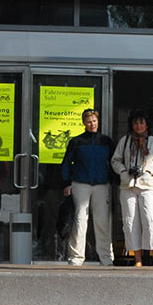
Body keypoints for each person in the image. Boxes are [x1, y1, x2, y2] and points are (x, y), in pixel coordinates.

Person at [111, 110, 153, 267]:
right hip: (127, 186)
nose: (138, 126)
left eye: (141, 122)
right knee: (130, 221)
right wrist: (123, 172)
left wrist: (150, 171)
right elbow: (115, 160)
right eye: (136, 122)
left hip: (146, 185)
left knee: (150, 219)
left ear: (146, 124)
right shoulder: (125, 141)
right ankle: (137, 259)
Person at [61, 108, 116, 266]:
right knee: (80, 220)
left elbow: (114, 162)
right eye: (89, 121)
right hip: (81, 184)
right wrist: (67, 182)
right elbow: (66, 163)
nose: (92, 124)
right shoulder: (76, 142)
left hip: (102, 185)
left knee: (102, 221)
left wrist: (112, 180)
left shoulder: (106, 141)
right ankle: (76, 257)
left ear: (98, 122)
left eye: (94, 121)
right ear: (84, 123)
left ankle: (106, 258)